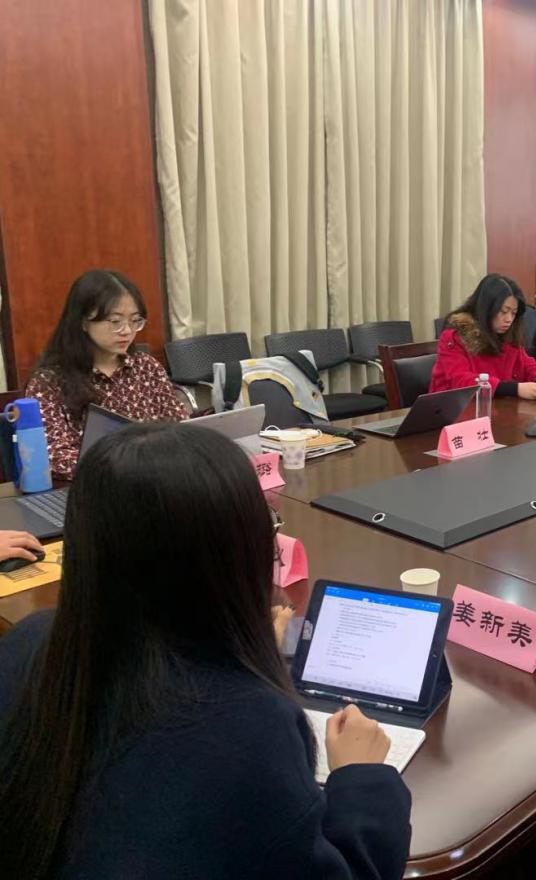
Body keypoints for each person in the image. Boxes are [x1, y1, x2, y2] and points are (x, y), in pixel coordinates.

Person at [0, 424, 411, 879]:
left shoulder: (28, 643)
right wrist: (361, 777)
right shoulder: (250, 726)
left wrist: (242, 648)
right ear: (238, 552)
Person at [25, 269, 187, 479]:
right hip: (93, 486)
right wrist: (131, 464)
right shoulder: (49, 381)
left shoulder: (146, 367)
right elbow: (53, 457)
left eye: (135, 321)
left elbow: (179, 429)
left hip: (152, 480)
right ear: (83, 322)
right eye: (115, 321)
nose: (127, 331)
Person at [430, 274, 536, 400]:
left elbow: (526, 364)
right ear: (486, 308)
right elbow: (460, 381)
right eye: (503, 311)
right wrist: (515, 389)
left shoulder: (506, 335)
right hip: (453, 410)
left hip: (496, 408)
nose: (509, 319)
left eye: (513, 313)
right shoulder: (454, 336)